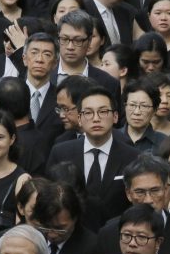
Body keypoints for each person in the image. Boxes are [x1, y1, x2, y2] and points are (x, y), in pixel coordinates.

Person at [46, 85, 140, 226]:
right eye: (88, 113)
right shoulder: (60, 152)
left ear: (115, 117)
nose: (96, 118)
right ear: (79, 118)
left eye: (103, 112)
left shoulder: (133, 156)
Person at [27, 180, 97, 254]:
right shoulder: (30, 239)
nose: (52, 234)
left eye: (60, 228)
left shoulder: (90, 246)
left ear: (74, 218)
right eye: (46, 227)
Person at [121, 76, 167, 152]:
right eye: (132, 105)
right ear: (125, 106)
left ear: (154, 110)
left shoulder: (164, 143)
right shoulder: (111, 138)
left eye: (144, 106)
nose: (137, 112)